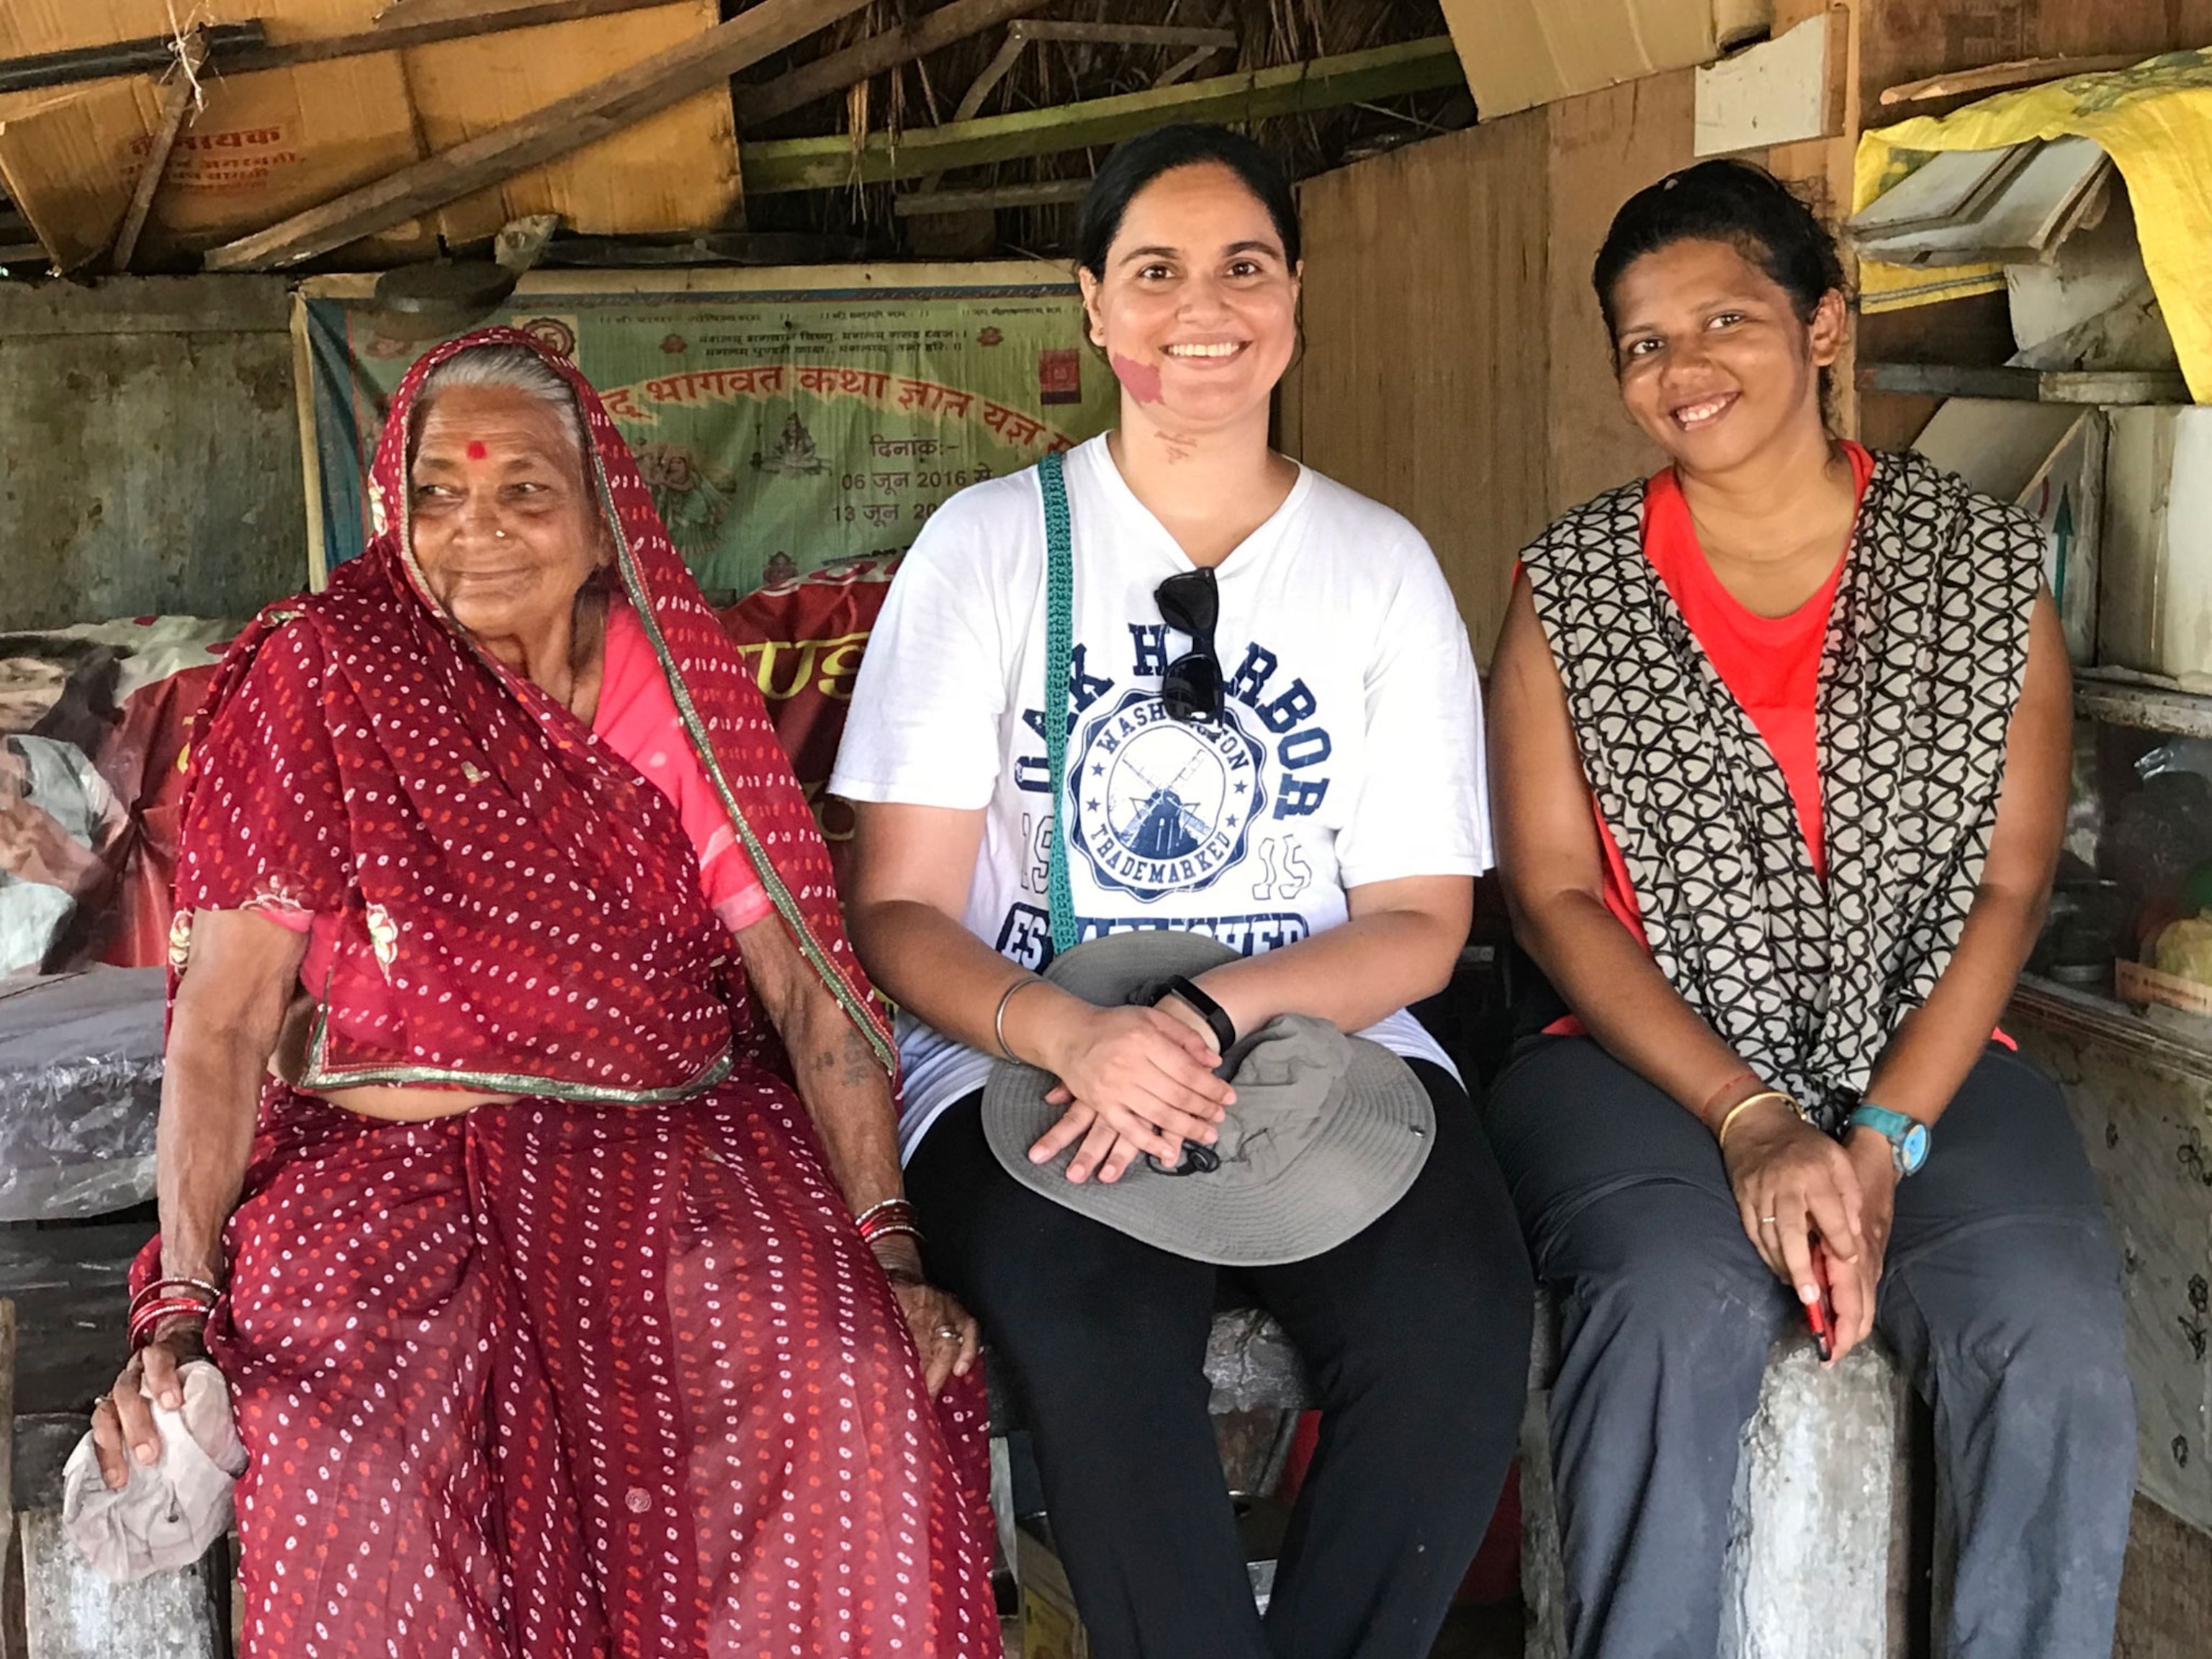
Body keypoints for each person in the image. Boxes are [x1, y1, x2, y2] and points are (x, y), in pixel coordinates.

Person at [86, 331, 1002, 1659]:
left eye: (523, 489)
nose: (478, 531)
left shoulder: (674, 680)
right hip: (378, 1167)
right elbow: (223, 1024)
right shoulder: (325, 674)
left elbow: (806, 987)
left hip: (672, 1143)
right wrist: (178, 1307)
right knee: (353, 1468)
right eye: (440, 494)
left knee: (843, 1388)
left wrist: (888, 1253)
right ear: (392, 510)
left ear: (599, 512)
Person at [832, 125, 1533, 1659]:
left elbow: (1422, 923)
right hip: (1028, 1049)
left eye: (1243, 267)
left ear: (1293, 295)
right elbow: (900, 915)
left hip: (1319, 1042)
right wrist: (1073, 1035)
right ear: (1093, 306)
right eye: (1154, 271)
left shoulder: (1379, 567)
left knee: (1457, 1321)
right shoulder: (990, 548)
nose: (1200, 308)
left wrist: (1213, 1014)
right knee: (1092, 1330)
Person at [1484, 160, 2136, 1658]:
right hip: (1640, 1060)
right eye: (1645, 342)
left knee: (2048, 1323)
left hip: (1929, 1058)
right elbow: (1553, 894)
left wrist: (1885, 1137)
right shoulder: (1570, 586)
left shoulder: (1978, 567)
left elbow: (2010, 880)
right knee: (1664, 1305)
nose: (1683, 368)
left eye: (1726, 319)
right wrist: (1749, 1118)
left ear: (1823, 325)